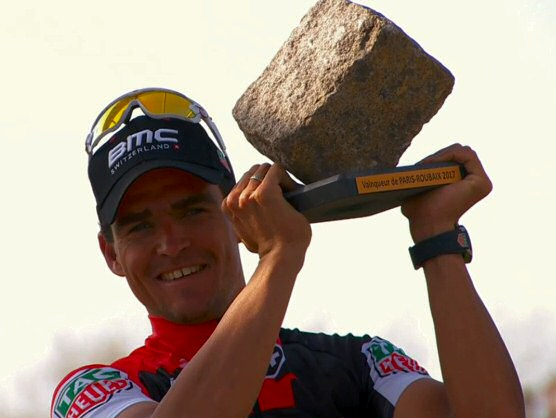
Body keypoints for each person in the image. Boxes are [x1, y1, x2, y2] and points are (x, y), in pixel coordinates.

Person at [51, 87, 524, 418]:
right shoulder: (92, 393)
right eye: (140, 226)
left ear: (237, 215)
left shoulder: (359, 362)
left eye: (193, 210)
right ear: (110, 254)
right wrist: (278, 257)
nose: (172, 244)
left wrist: (436, 235)